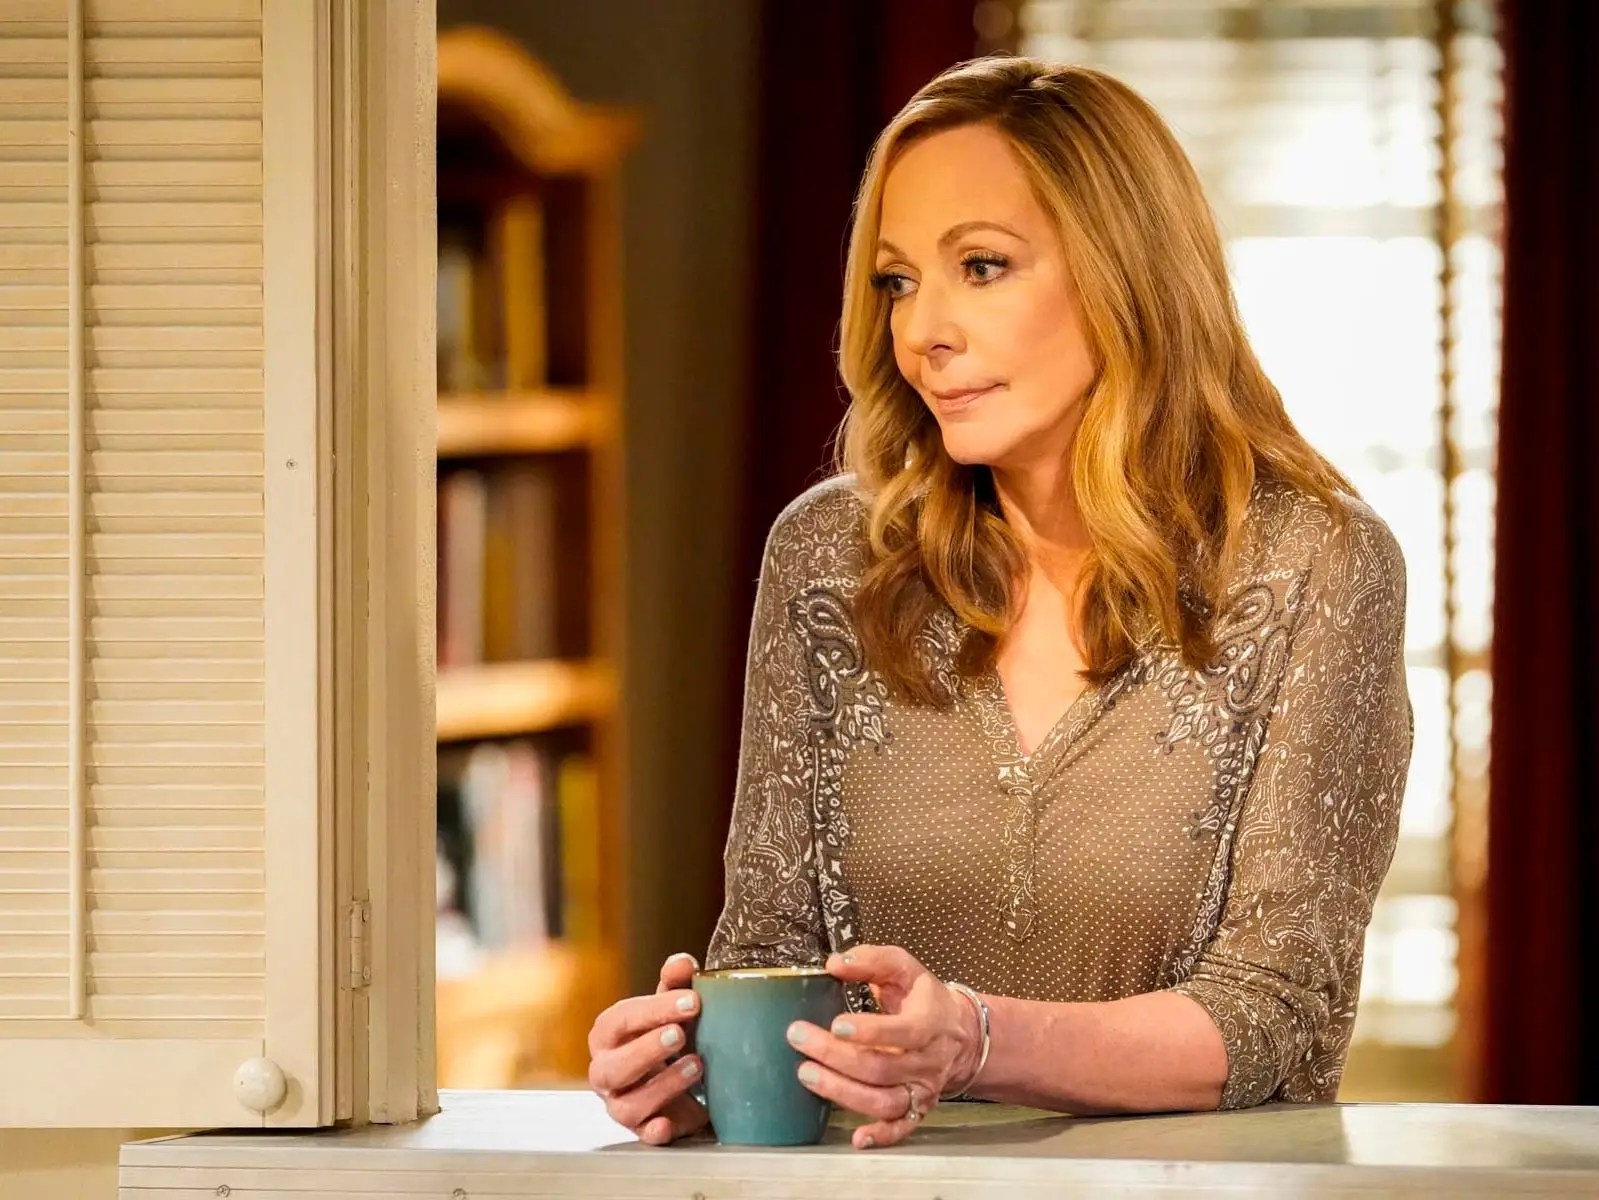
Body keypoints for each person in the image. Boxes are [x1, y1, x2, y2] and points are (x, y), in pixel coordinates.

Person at [586, 54, 1413, 1152]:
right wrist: (697, 1067)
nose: (922, 329)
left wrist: (975, 1040)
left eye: (981, 266)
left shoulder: (1316, 563)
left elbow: (1278, 1011)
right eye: (896, 281)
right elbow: (773, 956)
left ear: (1126, 275)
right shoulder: (829, 559)